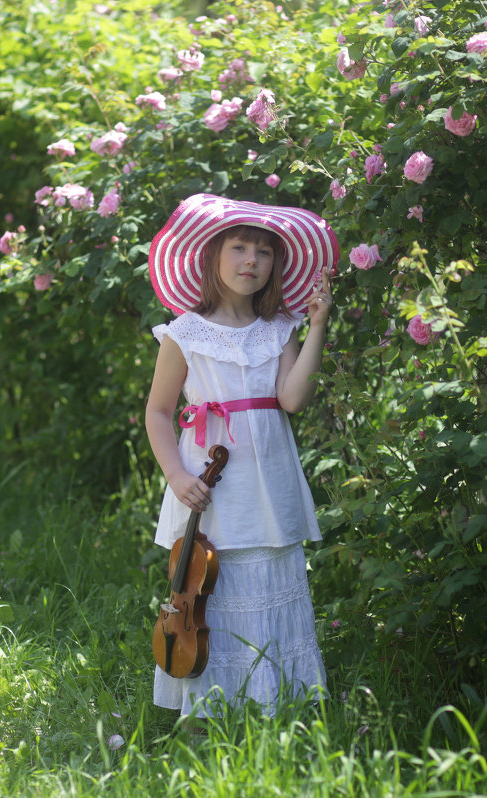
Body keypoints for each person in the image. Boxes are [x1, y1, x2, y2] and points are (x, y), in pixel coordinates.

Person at [144, 193, 338, 720]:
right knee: (210, 587)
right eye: (239, 247)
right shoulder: (184, 332)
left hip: (265, 483)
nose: (252, 260)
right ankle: (209, 710)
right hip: (209, 483)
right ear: (213, 255)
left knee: (270, 573)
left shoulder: (278, 330)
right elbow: (159, 413)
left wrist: (316, 325)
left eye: (264, 252)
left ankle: (275, 705)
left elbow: (292, 399)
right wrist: (176, 474)